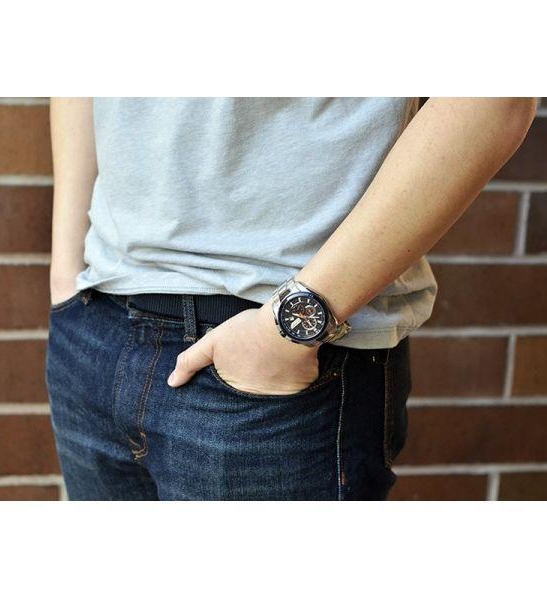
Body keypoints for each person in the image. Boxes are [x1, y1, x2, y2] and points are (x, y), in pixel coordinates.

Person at [46, 97, 536, 501]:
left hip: (280, 360)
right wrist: (64, 273)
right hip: (95, 321)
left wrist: (285, 331)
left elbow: (496, 99)